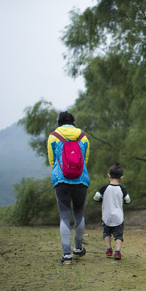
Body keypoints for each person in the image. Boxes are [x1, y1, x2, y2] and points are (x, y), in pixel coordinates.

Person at [48, 111, 90, 264]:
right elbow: (85, 160)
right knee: (79, 214)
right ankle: (78, 248)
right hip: (81, 181)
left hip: (61, 181)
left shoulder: (53, 136)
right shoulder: (83, 136)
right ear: (73, 122)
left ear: (59, 123)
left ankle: (66, 254)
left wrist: (61, 174)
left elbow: (52, 161)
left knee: (64, 216)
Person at [93, 163, 131, 260]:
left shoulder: (104, 188)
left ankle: (109, 249)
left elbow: (96, 197)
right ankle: (117, 252)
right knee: (118, 235)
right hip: (118, 217)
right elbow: (128, 200)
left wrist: (101, 200)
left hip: (107, 216)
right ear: (121, 177)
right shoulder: (122, 189)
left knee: (106, 232)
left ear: (109, 175)